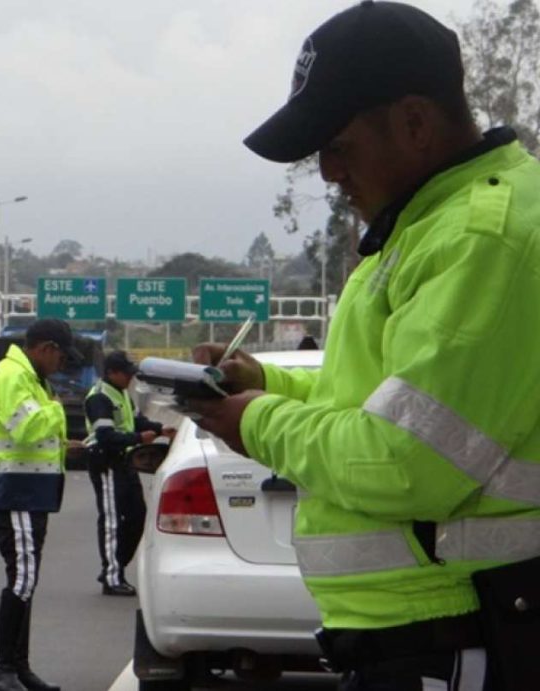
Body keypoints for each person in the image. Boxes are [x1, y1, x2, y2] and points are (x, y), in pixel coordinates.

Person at [192, 2, 540, 689]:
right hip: (427, 630)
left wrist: (257, 420)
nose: (326, 172)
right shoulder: (428, 228)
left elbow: (409, 461)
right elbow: (388, 402)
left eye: (338, 145)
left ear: (415, 122)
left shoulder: (481, 237)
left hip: (460, 630)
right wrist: (266, 380)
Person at [0, 318, 81, 691]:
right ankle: (2, 670)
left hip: (34, 491)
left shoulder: (32, 378)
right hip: (17, 490)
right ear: (45, 348)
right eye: (60, 357)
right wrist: (57, 408)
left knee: (27, 580)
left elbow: (33, 432)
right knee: (22, 578)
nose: (61, 365)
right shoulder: (12, 376)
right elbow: (25, 428)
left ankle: (19, 668)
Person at [84, 350, 174, 596]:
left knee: (137, 516)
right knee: (112, 521)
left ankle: (115, 566)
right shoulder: (99, 398)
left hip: (125, 461)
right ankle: (112, 578)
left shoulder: (121, 393)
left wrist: (161, 429)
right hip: (107, 463)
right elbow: (105, 436)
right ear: (112, 373)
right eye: (126, 374)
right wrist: (138, 438)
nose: (130, 379)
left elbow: (137, 421)